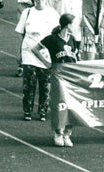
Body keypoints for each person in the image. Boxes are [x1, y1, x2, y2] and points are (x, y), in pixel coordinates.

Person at [32, 13, 78, 147]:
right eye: (72, 24)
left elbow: (75, 56)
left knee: (72, 104)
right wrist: (46, 63)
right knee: (59, 103)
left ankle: (68, 133)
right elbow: (36, 49)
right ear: (67, 25)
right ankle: (58, 132)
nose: (74, 26)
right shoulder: (52, 39)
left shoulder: (73, 39)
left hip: (71, 74)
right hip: (58, 73)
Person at [15, 0, 58, 122]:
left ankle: (43, 111)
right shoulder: (27, 12)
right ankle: (27, 111)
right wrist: (19, 53)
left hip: (45, 52)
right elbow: (20, 33)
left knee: (45, 85)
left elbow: (56, 34)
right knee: (29, 84)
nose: (40, 0)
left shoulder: (52, 13)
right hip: (29, 52)